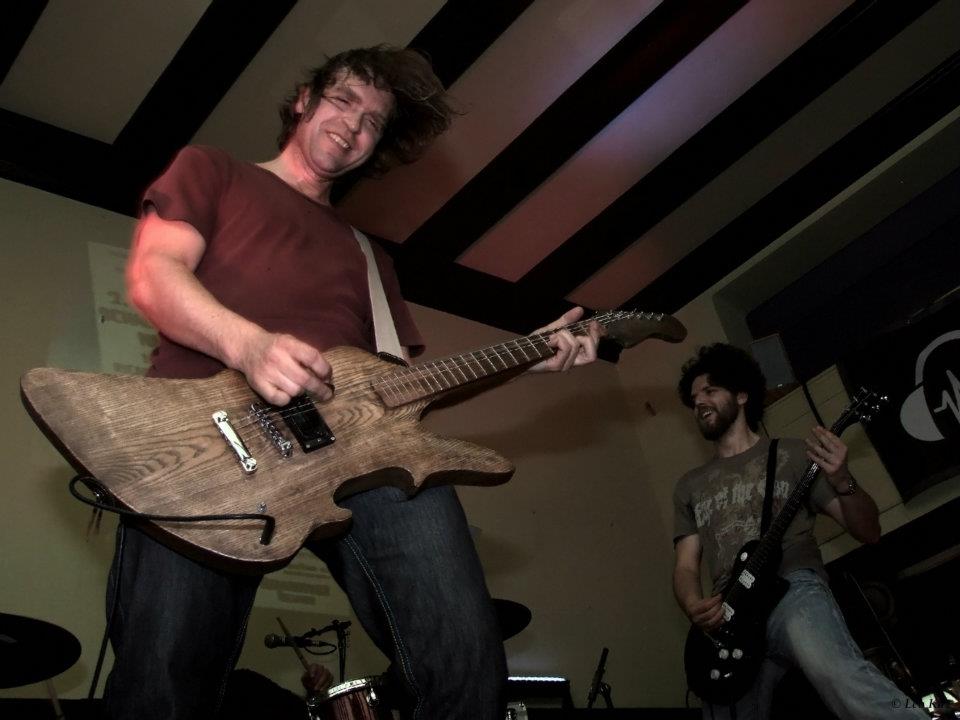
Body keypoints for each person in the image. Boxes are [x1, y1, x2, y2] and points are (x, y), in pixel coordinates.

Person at [103, 46, 601, 720]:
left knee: (465, 657)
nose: (354, 125)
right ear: (304, 100)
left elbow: (397, 389)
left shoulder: (371, 257)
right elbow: (154, 274)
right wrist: (250, 346)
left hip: (356, 453)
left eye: (373, 121)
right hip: (205, 442)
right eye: (343, 100)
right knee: (164, 681)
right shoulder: (214, 169)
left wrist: (525, 358)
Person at [671, 343, 925, 720]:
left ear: (741, 395)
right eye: (694, 399)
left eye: (710, 390)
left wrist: (843, 479)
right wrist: (694, 605)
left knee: (838, 674)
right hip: (729, 613)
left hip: (792, 587)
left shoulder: (792, 455)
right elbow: (685, 566)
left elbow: (869, 531)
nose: (699, 403)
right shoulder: (689, 485)